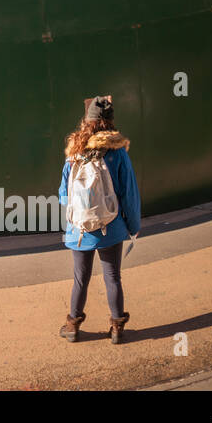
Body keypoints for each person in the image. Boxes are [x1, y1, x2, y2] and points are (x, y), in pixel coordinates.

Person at [57, 95, 142, 345]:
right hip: (111, 228)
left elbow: (64, 195)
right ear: (110, 122)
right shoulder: (117, 152)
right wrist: (133, 227)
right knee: (112, 277)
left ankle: (72, 326)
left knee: (80, 279)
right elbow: (129, 194)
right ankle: (116, 328)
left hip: (79, 230)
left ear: (87, 122)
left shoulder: (73, 153)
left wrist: (78, 218)